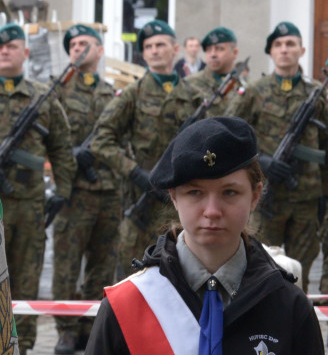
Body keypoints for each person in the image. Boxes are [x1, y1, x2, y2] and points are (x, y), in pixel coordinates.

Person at [73, 117, 328, 355]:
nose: (212, 211)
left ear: (256, 194)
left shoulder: (288, 308)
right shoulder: (129, 306)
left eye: (230, 192)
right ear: (173, 196)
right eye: (194, 192)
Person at [0, 23, 75, 355]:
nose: (5, 51)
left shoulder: (42, 96)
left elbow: (62, 148)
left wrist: (62, 192)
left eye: (13, 46)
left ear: (26, 53)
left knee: (23, 282)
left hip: (29, 206)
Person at [92, 19, 203, 277]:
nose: (154, 50)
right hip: (142, 204)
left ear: (175, 50)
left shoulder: (195, 96)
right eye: (148, 46)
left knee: (184, 275)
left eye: (160, 44)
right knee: (133, 277)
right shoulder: (133, 94)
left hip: (182, 204)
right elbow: (101, 140)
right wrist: (135, 173)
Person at [226, 21, 328, 292]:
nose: (285, 49)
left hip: (305, 198)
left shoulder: (316, 95)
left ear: (302, 50)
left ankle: (298, 325)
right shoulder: (254, 91)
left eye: (291, 44)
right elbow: (229, 132)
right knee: (259, 264)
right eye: (279, 45)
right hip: (264, 195)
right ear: (271, 52)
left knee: (301, 270)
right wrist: (262, 161)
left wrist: (324, 195)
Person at [50, 25, 119, 355]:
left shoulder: (112, 94)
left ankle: (92, 326)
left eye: (84, 43)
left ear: (100, 50)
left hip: (107, 190)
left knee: (102, 265)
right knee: (66, 263)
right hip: (74, 190)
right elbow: (47, 137)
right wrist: (69, 156)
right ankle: (65, 329)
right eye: (72, 45)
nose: (77, 49)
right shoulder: (58, 92)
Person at [185, 26, 242, 117]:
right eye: (208, 50)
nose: (213, 54)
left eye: (219, 49)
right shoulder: (189, 84)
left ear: (235, 53)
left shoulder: (246, 86)